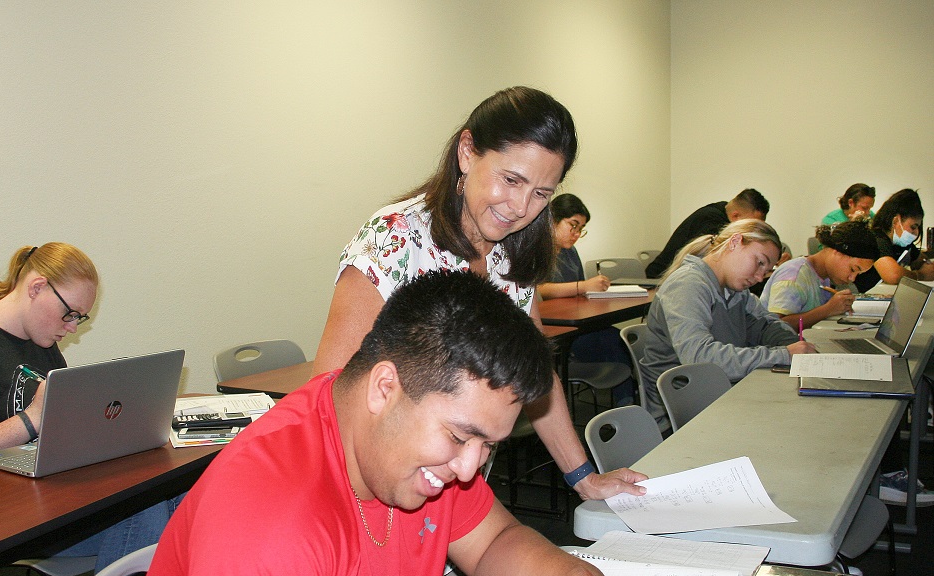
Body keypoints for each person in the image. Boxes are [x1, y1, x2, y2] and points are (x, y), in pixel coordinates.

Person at [126, 271, 665, 576]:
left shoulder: (408, 452)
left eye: (488, 447)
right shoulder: (274, 508)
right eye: (460, 437)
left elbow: (494, 541)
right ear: (386, 387)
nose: (469, 469)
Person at [314, 86, 645, 502]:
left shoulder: (514, 249)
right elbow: (329, 396)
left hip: (461, 486)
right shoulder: (396, 238)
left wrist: (582, 476)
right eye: (511, 180)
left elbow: (536, 375)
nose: (522, 208)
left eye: (542, 193)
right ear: (467, 153)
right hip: (382, 489)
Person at [0, 243, 182, 571]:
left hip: (46, 496)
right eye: (70, 314)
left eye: (80, 318)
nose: (72, 328)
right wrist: (30, 419)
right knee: (147, 507)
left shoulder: (43, 344)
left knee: (179, 495)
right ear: (37, 287)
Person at [639, 221, 815, 431]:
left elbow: (766, 326)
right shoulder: (688, 285)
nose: (759, 277)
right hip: (681, 409)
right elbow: (700, 357)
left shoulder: (734, 289)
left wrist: (797, 348)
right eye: (759, 262)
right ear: (735, 242)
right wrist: (784, 355)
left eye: (766, 271)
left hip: (718, 391)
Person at [538, 193, 634, 405]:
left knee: (623, 338)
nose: (576, 234)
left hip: (580, 325)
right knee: (612, 342)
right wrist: (584, 286)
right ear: (553, 220)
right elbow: (540, 290)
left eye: (581, 229)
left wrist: (593, 289)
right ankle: (626, 404)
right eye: (573, 225)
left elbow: (579, 294)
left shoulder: (570, 254)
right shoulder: (538, 249)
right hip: (558, 333)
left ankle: (629, 401)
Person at [760, 220, 879, 330]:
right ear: (837, 252)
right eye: (853, 269)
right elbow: (776, 326)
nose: (852, 278)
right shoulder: (793, 275)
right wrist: (828, 309)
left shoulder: (822, 276)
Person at [644, 188, 770, 279]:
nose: (752, 230)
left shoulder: (723, 210)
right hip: (664, 278)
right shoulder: (711, 222)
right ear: (735, 215)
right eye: (750, 224)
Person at [853, 188, 934, 293]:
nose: (916, 233)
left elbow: (920, 260)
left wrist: (925, 265)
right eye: (913, 227)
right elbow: (892, 275)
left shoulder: (902, 243)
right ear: (896, 220)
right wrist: (920, 275)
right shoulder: (876, 239)